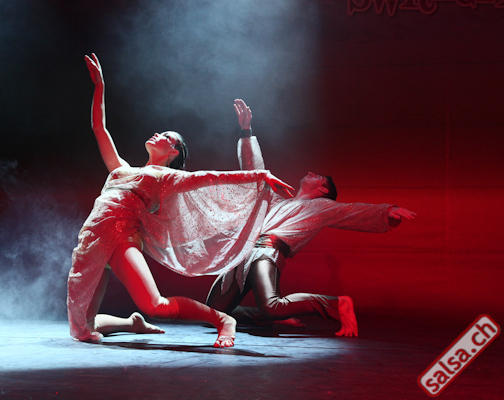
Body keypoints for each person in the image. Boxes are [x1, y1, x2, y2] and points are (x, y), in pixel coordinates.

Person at [67, 55, 294, 347]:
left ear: (173, 152)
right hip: (92, 237)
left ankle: (222, 319)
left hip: (121, 237)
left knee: (155, 305)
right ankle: (132, 323)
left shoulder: (166, 177)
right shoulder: (122, 169)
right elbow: (100, 129)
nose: (157, 134)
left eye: (166, 136)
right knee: (81, 329)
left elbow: (209, 177)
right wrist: (100, 85)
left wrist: (259, 175)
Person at [205, 99, 417, 337]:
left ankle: (337, 304)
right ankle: (273, 316)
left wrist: (386, 211)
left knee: (271, 305)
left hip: (267, 252)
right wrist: (246, 131)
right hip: (244, 254)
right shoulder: (277, 200)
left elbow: (351, 211)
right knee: (210, 313)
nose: (310, 173)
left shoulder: (320, 207)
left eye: (317, 176)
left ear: (323, 190)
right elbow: (255, 172)